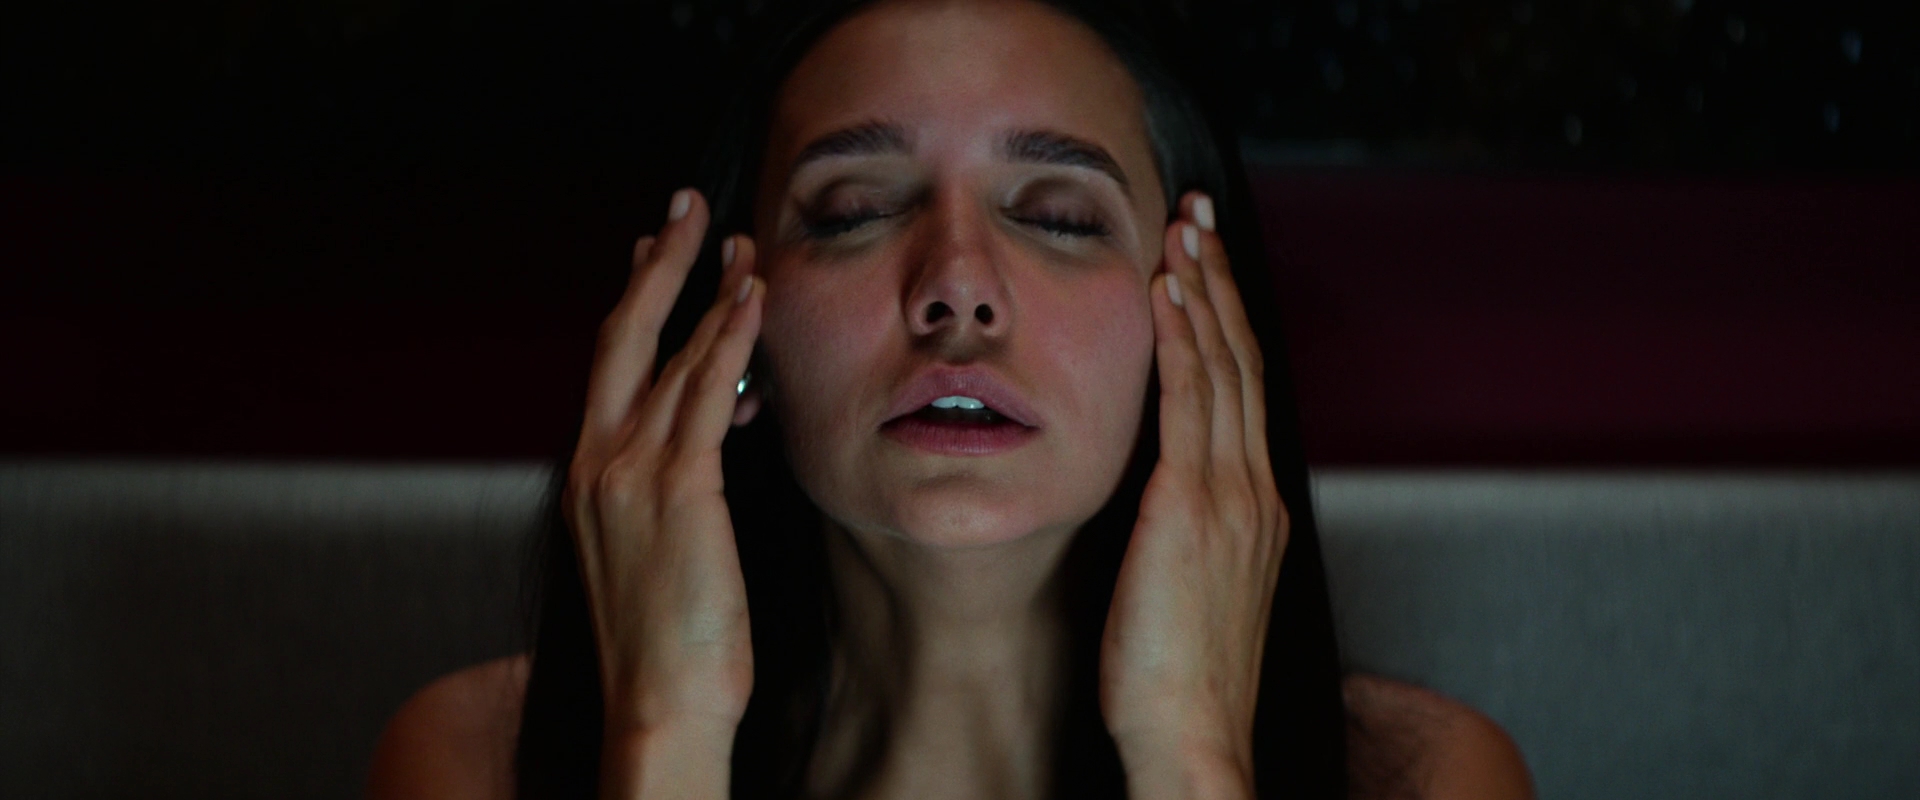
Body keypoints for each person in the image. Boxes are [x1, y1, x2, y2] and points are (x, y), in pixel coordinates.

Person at [368, 1, 1532, 798]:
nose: (959, 287)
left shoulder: (1423, 777)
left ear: (1195, 329)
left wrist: (1187, 752)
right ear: (734, 329)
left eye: (1059, 217)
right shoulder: (477, 760)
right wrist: (666, 737)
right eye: (854, 211)